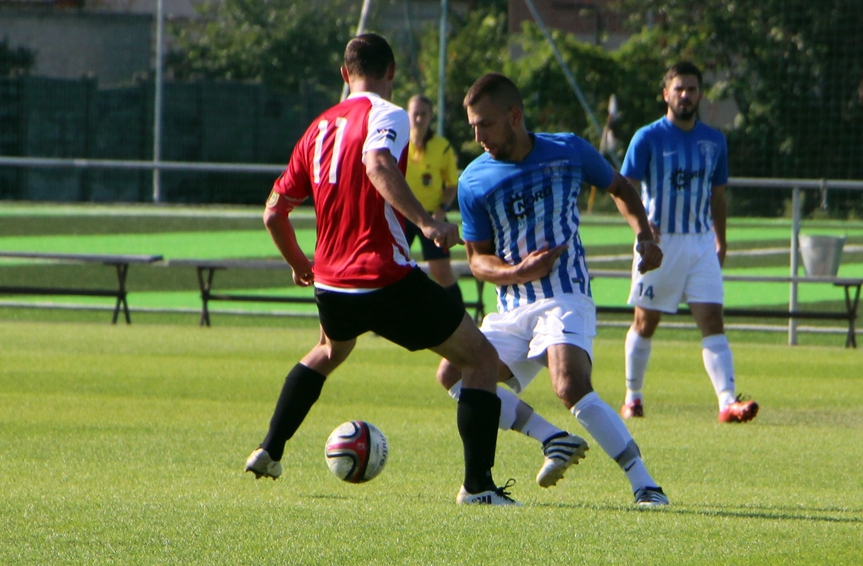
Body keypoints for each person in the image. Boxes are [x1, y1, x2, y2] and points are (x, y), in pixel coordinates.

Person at [245, 34, 518, 506]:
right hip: (383, 277)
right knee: (481, 360)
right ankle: (478, 487)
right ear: (391, 73)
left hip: (332, 282)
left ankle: (269, 449)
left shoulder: (317, 127)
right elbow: (376, 163)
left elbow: (273, 213)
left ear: (343, 74)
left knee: (329, 350)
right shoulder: (386, 114)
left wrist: (300, 266)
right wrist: (428, 221)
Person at [436, 72, 670, 506]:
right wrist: (519, 272)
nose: (477, 135)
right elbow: (477, 260)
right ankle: (551, 437)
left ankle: (646, 484)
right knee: (454, 374)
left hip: (565, 294)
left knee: (569, 383)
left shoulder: (566, 149)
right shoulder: (473, 180)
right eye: (472, 125)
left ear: (514, 116)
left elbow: (619, 187)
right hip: (511, 304)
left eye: (484, 123)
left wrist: (645, 235)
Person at [619, 62, 758, 424]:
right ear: (666, 93)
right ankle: (633, 397)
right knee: (645, 322)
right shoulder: (647, 137)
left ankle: (727, 402)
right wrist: (642, 228)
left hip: (699, 242)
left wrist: (720, 239)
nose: (686, 95)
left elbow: (718, 194)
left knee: (712, 319)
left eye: (692, 89)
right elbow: (623, 188)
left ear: (700, 95)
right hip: (661, 243)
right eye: (679, 89)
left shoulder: (714, 140)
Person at [404, 94, 464, 307]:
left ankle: (460, 318)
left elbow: (451, 184)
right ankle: (382, 320)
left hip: (431, 216)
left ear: (430, 116)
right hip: (402, 215)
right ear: (407, 115)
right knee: (389, 268)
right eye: (415, 114)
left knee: (441, 272)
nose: (419, 119)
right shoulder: (398, 142)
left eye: (423, 114)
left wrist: (442, 208)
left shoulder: (442, 147)